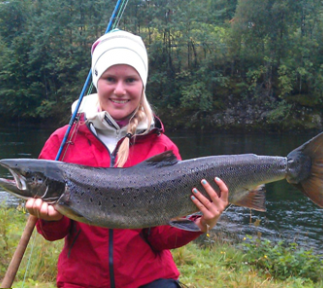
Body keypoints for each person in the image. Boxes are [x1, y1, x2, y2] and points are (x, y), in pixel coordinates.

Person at [23, 30, 230, 288]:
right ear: (97, 81)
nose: (120, 90)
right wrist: (50, 218)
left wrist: (202, 223)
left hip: (149, 280)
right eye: (110, 78)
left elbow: (160, 237)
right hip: (81, 281)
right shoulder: (62, 141)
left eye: (130, 80)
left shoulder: (161, 146)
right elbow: (54, 234)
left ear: (142, 85)